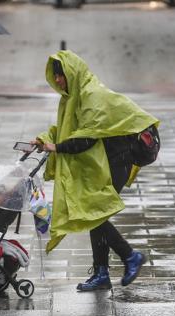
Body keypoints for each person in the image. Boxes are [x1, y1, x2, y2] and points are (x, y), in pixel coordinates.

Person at [30, 51, 159, 292]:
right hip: (105, 158)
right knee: (93, 213)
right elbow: (67, 129)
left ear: (72, 72)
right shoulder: (72, 97)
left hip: (120, 157)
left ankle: (129, 256)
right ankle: (102, 272)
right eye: (55, 75)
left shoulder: (92, 95)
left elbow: (87, 137)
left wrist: (57, 147)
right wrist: (44, 138)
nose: (57, 80)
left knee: (93, 212)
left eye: (61, 74)